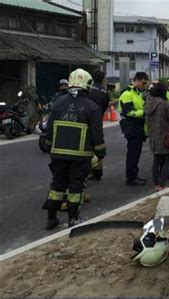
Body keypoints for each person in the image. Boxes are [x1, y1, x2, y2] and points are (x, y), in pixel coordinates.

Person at [43, 68, 106, 229]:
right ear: (88, 85)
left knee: (57, 185)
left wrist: (50, 147)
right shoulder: (91, 107)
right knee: (75, 187)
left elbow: (49, 129)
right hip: (80, 156)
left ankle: (51, 218)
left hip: (57, 154)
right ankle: (73, 218)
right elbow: (97, 134)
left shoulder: (58, 103)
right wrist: (100, 153)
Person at [145, 83, 169, 192]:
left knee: (156, 161)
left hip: (153, 137)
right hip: (166, 137)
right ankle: (162, 185)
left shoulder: (148, 103)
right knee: (167, 161)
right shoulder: (165, 104)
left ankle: (156, 185)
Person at [118, 72, 149, 186]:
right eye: (143, 83)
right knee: (133, 153)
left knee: (136, 153)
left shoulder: (139, 94)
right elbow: (129, 112)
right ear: (136, 80)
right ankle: (131, 177)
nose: (144, 85)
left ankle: (133, 175)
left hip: (138, 126)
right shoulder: (127, 94)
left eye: (145, 83)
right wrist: (144, 113)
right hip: (131, 126)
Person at [87, 70, 111, 181]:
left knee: (87, 146)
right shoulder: (104, 92)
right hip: (98, 121)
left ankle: (89, 170)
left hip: (86, 120)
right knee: (98, 145)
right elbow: (106, 105)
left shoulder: (88, 89)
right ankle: (98, 171)